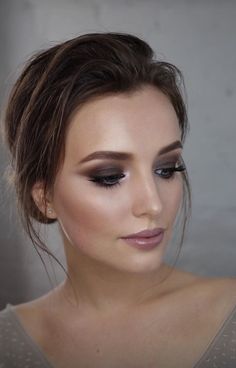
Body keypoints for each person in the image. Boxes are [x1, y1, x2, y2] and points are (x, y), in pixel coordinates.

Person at [0, 32, 235, 368]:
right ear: (45, 197)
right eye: (109, 176)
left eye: (167, 169)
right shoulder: (8, 347)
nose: (153, 204)